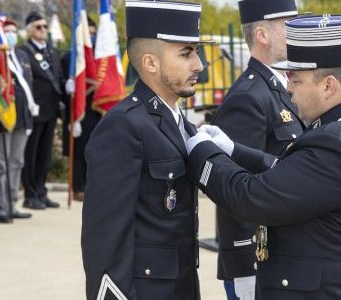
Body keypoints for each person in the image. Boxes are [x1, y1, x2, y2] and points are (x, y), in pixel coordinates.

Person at [187, 15, 341, 299]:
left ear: (328, 86)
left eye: (296, 79)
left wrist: (201, 152)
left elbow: (252, 197)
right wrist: (234, 151)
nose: (288, 88)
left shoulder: (335, 145)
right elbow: (294, 175)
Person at [81, 1, 210, 299]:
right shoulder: (123, 127)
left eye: (197, 52)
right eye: (186, 53)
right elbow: (105, 239)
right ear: (151, 63)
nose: (198, 65)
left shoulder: (179, 122)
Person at [210, 0, 304, 299]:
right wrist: (243, 266)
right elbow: (233, 187)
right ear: (262, 35)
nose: (296, 31)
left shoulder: (284, 85)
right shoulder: (249, 96)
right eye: (287, 25)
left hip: (286, 251)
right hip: (259, 260)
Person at [0, 19, 38, 223]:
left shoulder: (22, 55)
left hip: (21, 118)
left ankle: (12, 204)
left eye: (14, 31)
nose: (11, 35)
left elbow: (28, 86)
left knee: (16, 162)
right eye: (6, 31)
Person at [19, 11, 64, 209]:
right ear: (29, 31)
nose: (43, 30)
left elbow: (57, 78)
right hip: (35, 110)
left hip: (51, 110)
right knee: (31, 154)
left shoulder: (52, 51)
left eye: (45, 26)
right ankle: (30, 195)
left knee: (45, 155)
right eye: (39, 27)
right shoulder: (24, 52)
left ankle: (41, 191)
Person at [61, 17, 100, 202]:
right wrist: (67, 87)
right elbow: (61, 86)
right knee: (78, 152)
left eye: (93, 34)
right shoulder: (69, 58)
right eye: (87, 34)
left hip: (95, 109)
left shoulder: (99, 58)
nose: (90, 37)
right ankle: (77, 187)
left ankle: (90, 186)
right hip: (76, 111)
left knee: (94, 150)